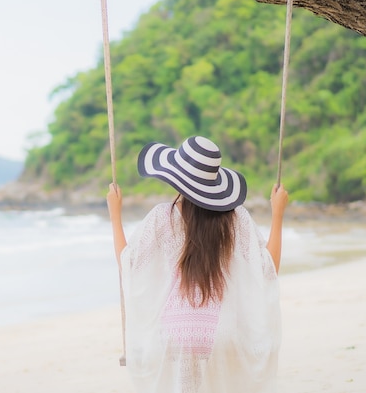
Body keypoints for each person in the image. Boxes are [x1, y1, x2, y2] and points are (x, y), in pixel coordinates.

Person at [106, 136, 289, 393]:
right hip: (222, 332)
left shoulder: (163, 216)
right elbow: (268, 269)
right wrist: (278, 214)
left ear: (176, 177)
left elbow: (128, 264)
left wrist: (115, 213)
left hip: (174, 333)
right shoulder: (235, 219)